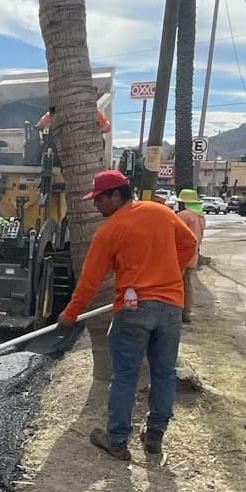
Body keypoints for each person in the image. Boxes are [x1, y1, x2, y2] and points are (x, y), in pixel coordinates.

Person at [58, 169, 198, 461]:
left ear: (116, 195)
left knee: (124, 376)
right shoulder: (160, 212)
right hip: (171, 306)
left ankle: (118, 440)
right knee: (164, 373)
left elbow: (89, 282)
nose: (95, 204)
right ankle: (155, 436)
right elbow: (189, 244)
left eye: (99, 198)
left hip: (133, 310)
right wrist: (170, 271)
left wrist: (71, 314)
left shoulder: (109, 231)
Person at [175, 188, 205, 324]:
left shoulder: (184, 215)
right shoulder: (201, 217)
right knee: (187, 283)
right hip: (194, 255)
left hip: (181, 256)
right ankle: (186, 312)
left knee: (175, 284)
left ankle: (175, 311)